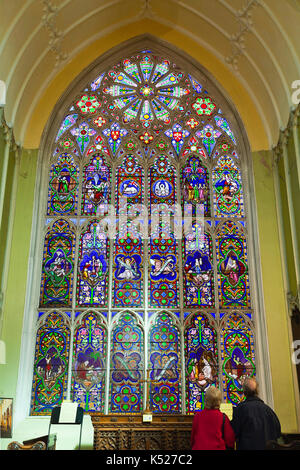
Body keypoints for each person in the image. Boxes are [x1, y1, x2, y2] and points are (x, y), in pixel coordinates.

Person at [231, 377, 281, 450]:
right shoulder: (268, 410)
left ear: (244, 391)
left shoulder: (240, 409)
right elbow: (277, 432)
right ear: (257, 391)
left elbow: (234, 432)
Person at [191, 386, 235, 450]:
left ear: (206, 399)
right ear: (219, 400)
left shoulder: (198, 416)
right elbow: (230, 440)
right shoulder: (223, 417)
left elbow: (193, 438)